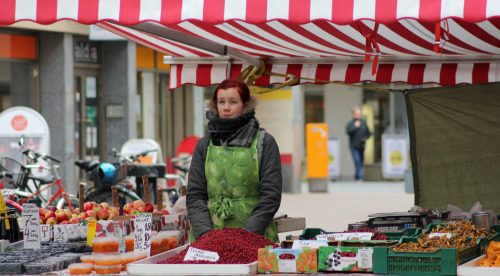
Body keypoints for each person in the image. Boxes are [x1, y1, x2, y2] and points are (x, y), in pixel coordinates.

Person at [186, 79, 282, 243]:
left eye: (233, 102)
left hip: (254, 236)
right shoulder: (204, 145)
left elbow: (271, 196)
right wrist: (206, 236)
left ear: (245, 105)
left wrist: (245, 237)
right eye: (221, 102)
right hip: (209, 237)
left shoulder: (265, 142)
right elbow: (195, 195)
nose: (226, 107)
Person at [346, 106, 371, 181]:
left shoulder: (363, 123)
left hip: (362, 146)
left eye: (360, 113)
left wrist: (365, 138)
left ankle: (357, 176)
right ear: (353, 114)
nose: (359, 115)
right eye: (357, 114)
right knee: (357, 161)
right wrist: (355, 127)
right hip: (353, 146)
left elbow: (368, 133)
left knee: (360, 162)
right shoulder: (350, 124)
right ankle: (360, 177)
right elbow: (348, 132)